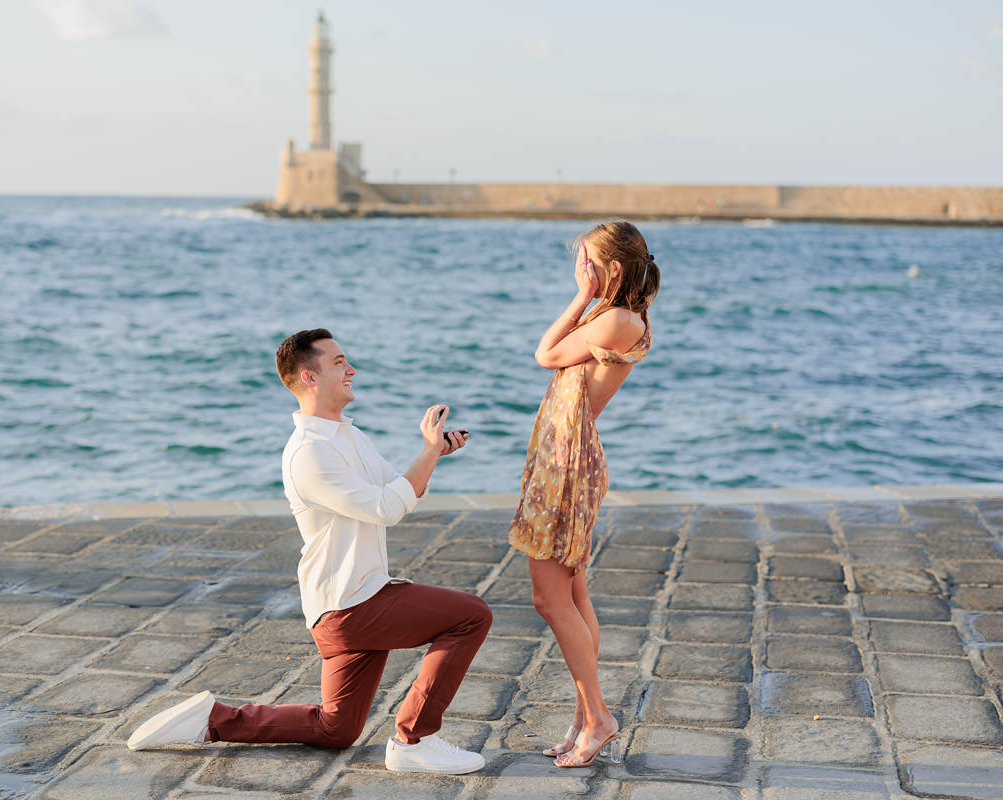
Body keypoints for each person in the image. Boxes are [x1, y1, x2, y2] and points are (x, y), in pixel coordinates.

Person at [127, 328, 492, 775]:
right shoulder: (308, 454)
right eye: (339, 362)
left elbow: (398, 491)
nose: (351, 369)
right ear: (309, 376)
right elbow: (386, 507)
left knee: (336, 729)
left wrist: (433, 454)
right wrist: (428, 453)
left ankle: (212, 720)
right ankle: (414, 740)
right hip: (351, 603)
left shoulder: (348, 437)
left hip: (348, 602)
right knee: (471, 615)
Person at [507, 221, 660, 768]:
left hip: (568, 464)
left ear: (611, 269)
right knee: (573, 597)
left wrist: (580, 294)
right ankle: (584, 718)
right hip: (565, 456)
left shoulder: (616, 318)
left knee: (551, 599)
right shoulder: (618, 316)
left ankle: (598, 718)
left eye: (587, 260)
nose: (581, 267)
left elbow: (545, 354)